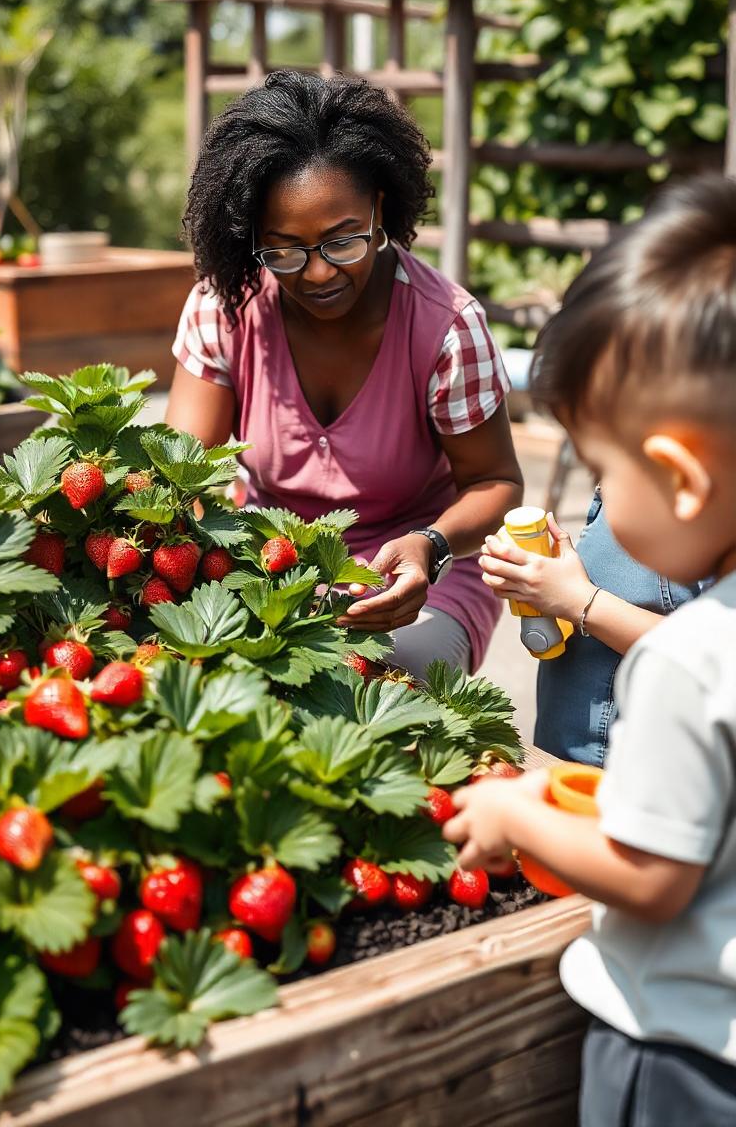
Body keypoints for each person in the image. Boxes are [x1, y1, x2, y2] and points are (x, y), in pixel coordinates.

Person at [443, 174, 736, 1126]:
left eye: (604, 475)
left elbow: (653, 878)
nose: (596, 503)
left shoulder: (694, 658)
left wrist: (515, 816)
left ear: (682, 478)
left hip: (682, 1056)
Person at [165, 70, 523, 679]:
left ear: (380, 210)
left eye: (342, 240)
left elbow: (496, 484)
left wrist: (430, 547)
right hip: (272, 565)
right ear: (250, 235)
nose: (320, 273)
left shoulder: (446, 326)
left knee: (390, 672)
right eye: (285, 249)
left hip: (416, 579)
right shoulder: (224, 308)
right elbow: (177, 473)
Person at [479, 494, 702, 764]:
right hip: (565, 740)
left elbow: (712, 656)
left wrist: (580, 600)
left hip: (623, 774)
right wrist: (543, 585)